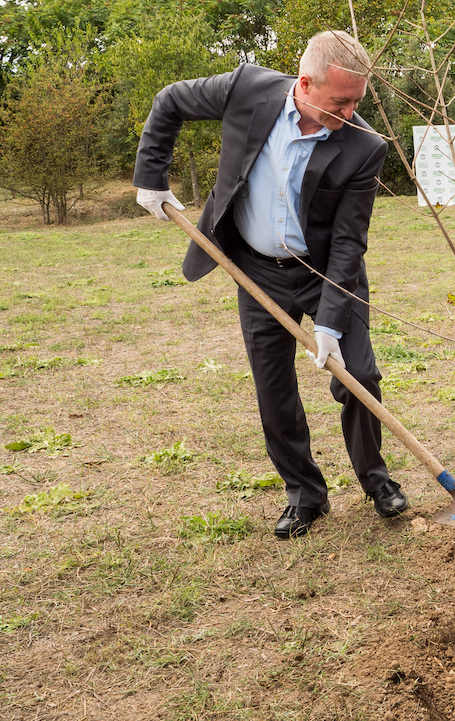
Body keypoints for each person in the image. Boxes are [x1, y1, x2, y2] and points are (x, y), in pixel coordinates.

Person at [133, 30, 408, 538]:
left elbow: (349, 243)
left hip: (324, 273)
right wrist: (151, 176)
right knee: (273, 388)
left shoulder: (363, 147)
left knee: (361, 378)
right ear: (305, 84)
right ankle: (305, 495)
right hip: (255, 266)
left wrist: (329, 324)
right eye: (340, 101)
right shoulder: (247, 89)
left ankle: (376, 480)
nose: (349, 113)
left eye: (357, 102)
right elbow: (169, 101)